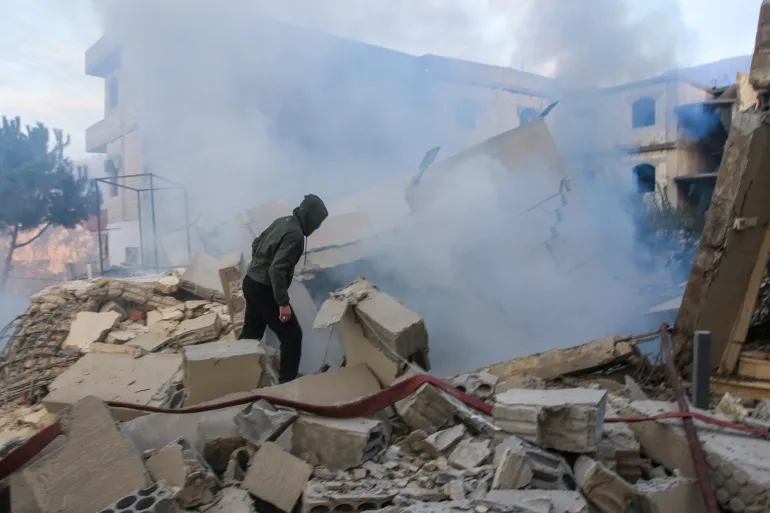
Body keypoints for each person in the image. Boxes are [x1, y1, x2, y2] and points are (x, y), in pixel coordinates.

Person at [240, 194, 328, 383]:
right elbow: (277, 269)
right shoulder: (296, 236)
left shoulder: (282, 221)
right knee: (292, 337)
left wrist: (259, 266)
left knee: (250, 337)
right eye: (317, 223)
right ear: (309, 218)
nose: (316, 228)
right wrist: (283, 303)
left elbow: (256, 243)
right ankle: (286, 385)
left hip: (250, 282)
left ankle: (233, 375)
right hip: (264, 290)